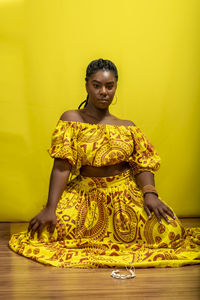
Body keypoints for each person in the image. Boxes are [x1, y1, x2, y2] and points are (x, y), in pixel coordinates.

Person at [9, 58, 200, 268]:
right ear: (87, 85)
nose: (103, 91)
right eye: (96, 85)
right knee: (46, 231)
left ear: (116, 86)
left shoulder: (128, 127)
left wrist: (150, 194)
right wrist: (51, 208)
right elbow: (62, 166)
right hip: (85, 194)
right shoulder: (72, 119)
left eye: (110, 86)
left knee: (169, 229)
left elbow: (142, 164)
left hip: (124, 194)